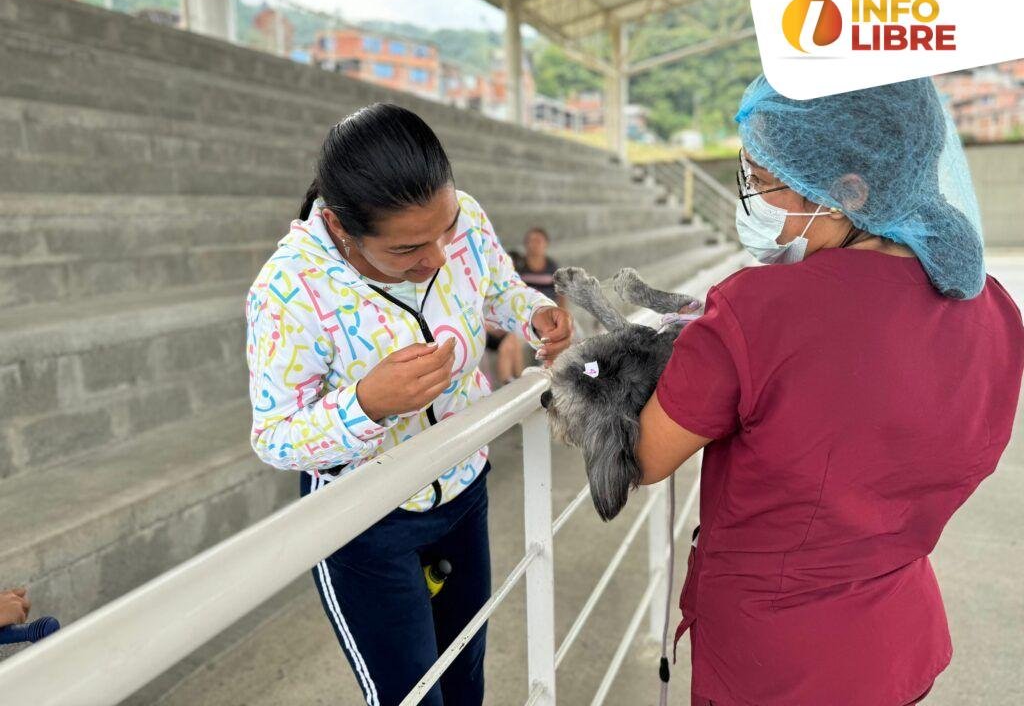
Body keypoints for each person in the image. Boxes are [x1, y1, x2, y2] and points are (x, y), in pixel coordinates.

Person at [633, 75, 1024, 706]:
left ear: (847, 194)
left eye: (764, 182)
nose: (752, 200)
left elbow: (647, 455)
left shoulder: (753, 309)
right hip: (898, 642)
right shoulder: (994, 308)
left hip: (774, 666)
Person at [245, 104, 573, 706]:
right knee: (413, 696)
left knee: (466, 673)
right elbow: (275, 436)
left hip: (464, 490)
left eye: (445, 230)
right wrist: (365, 405)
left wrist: (534, 315)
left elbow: (495, 287)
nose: (439, 256)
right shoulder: (288, 290)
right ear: (343, 229)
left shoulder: (462, 216)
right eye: (408, 250)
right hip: (365, 522)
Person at [486, 227, 567, 384]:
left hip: (545, 320)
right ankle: (516, 384)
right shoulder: (519, 267)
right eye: (530, 241)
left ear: (545, 244)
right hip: (522, 320)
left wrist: (559, 313)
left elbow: (561, 295)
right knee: (511, 343)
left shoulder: (552, 267)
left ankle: (518, 383)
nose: (534, 245)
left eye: (538, 241)